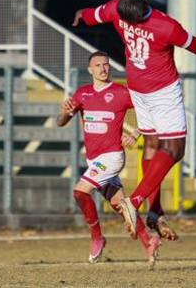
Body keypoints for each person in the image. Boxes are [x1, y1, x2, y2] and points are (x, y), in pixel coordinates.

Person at [72, 0, 196, 241]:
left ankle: (155, 211)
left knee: (152, 146)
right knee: (175, 149)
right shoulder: (165, 26)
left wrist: (82, 14)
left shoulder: (116, 8)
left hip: (137, 88)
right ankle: (133, 202)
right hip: (162, 93)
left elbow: (93, 15)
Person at [56, 51, 160, 266]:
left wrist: (136, 133)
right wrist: (65, 113)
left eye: (106, 65)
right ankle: (148, 242)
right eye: (98, 65)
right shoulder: (82, 94)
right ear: (90, 69)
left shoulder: (121, 93)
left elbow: (150, 109)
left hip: (112, 157)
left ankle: (97, 237)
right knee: (121, 206)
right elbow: (61, 122)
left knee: (79, 192)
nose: (103, 69)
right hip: (93, 160)